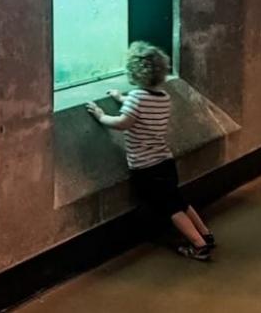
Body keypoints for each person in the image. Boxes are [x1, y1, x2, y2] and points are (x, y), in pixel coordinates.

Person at [85, 41, 216, 261]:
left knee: (170, 208)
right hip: (165, 161)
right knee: (178, 200)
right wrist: (121, 98)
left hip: (146, 166)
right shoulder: (163, 97)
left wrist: (100, 115)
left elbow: (123, 122)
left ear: (135, 73)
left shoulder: (137, 98)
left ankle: (199, 245)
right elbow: (142, 108)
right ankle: (205, 233)